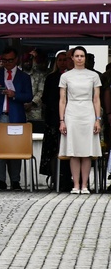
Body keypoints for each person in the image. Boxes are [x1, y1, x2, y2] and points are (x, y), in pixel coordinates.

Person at [0, 46, 33, 191]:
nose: (7, 63)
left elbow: (29, 96)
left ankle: (15, 180)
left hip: (16, 115)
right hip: (0, 116)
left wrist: (15, 94)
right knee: (0, 149)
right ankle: (1, 181)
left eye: (10, 60)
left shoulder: (24, 77)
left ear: (16, 59)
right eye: (4, 60)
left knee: (16, 149)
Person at [58, 47, 102, 194]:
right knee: (74, 150)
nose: (79, 58)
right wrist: (62, 120)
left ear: (85, 58)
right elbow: (62, 100)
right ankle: (76, 185)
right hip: (72, 113)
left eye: (82, 56)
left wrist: (97, 119)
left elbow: (96, 99)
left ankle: (85, 185)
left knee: (87, 150)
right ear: (72, 58)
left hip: (88, 113)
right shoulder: (65, 76)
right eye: (76, 56)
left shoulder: (94, 76)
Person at [40, 50, 71, 186]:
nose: (62, 62)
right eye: (59, 60)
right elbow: (46, 99)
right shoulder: (51, 78)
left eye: (65, 59)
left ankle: (69, 178)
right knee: (54, 150)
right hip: (53, 119)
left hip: (71, 118)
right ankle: (55, 178)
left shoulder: (73, 77)